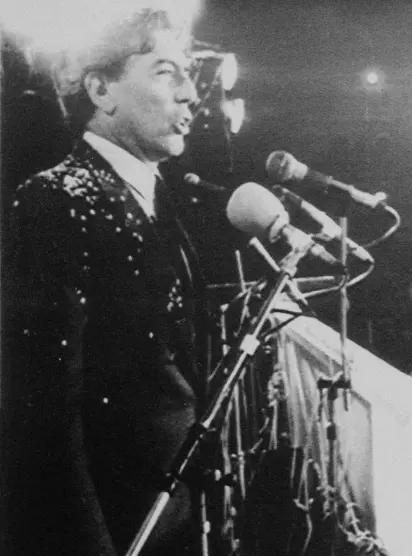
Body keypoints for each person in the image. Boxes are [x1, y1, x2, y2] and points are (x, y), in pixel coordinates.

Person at [1, 8, 208, 556]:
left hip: (175, 524)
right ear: (101, 89)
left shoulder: (163, 199)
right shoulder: (52, 201)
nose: (191, 94)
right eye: (167, 72)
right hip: (115, 533)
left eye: (188, 73)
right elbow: (46, 419)